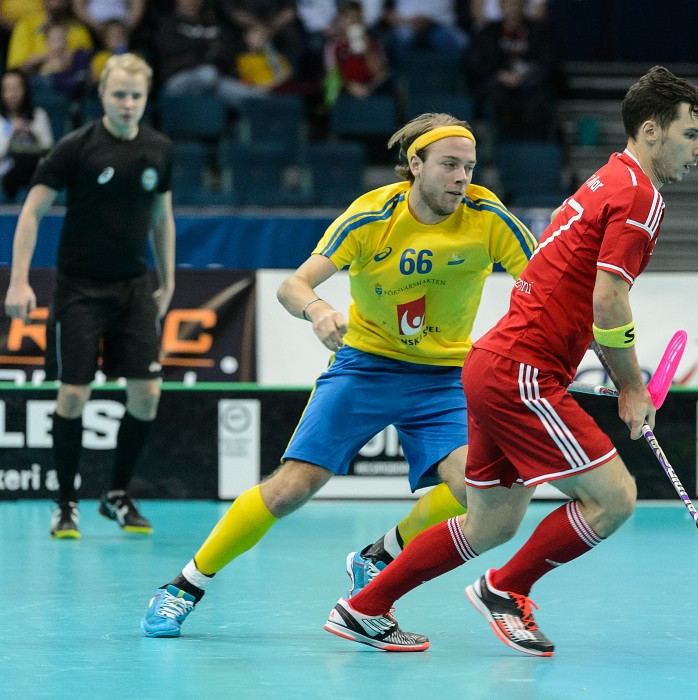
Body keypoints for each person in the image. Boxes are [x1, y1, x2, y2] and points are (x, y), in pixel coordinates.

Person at [322, 65, 698, 656]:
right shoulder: (640, 197)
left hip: (495, 364)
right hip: (521, 371)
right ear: (652, 131)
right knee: (614, 498)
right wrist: (631, 387)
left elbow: (587, 298)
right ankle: (505, 589)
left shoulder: (608, 177)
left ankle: (363, 607)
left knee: (492, 522)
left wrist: (597, 368)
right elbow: (609, 299)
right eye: (692, 133)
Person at [139, 111, 537, 638]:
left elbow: (542, 289)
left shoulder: (487, 215)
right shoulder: (372, 216)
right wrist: (319, 311)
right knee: (291, 489)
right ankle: (184, 586)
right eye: (449, 165)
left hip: (444, 377)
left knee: (474, 488)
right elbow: (294, 285)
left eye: (469, 166)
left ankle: (379, 556)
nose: (462, 177)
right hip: (366, 366)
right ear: (415, 165)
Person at [2, 53, 175, 539]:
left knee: (147, 396)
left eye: (135, 96)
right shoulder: (74, 148)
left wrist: (169, 281)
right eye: (118, 94)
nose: (127, 104)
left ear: (145, 99)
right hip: (79, 288)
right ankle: (65, 501)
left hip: (134, 286)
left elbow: (162, 219)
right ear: (102, 94)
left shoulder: (160, 149)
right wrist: (19, 281)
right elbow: (31, 214)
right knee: (73, 395)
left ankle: (117, 494)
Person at [466, 0, 560, 141]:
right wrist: (499, 75)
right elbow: (475, 63)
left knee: (543, 98)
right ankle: (496, 146)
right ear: (501, 7)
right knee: (495, 98)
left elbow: (549, 62)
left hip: (531, 85)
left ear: (524, 6)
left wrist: (526, 75)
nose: (513, 9)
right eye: (509, 4)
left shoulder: (538, 31)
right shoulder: (490, 32)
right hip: (499, 85)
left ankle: (536, 145)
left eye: (517, 4)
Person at [0, 67, 53, 199]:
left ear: (25, 90)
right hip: (6, 173)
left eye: (16, 88)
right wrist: (12, 134)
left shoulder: (38, 115)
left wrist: (33, 134)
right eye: (7, 89)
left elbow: (50, 150)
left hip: (35, 170)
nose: (12, 94)